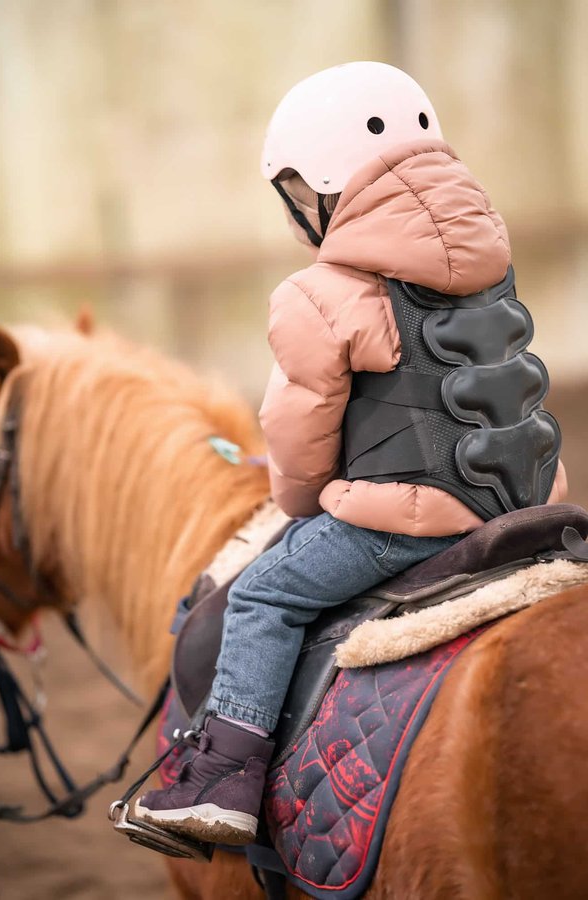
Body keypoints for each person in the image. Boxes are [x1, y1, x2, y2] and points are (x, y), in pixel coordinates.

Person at [134, 61, 566, 844]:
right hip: (526, 496)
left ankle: (224, 776)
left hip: (407, 519)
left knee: (266, 595)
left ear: (327, 183)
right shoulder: (487, 260)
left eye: (301, 193)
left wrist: (305, 503)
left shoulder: (316, 294)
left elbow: (299, 447)